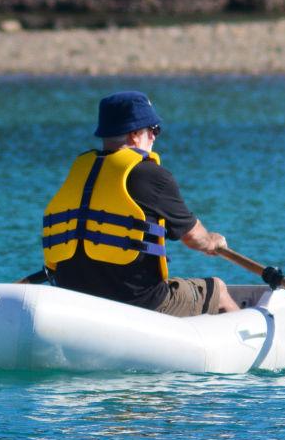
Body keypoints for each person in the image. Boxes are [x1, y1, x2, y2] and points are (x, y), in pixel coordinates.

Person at [42, 91, 240, 316]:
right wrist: (213, 241)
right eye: (154, 130)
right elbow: (195, 238)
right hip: (137, 302)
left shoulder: (79, 173)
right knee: (219, 290)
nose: (155, 137)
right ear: (135, 134)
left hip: (74, 298)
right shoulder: (152, 176)